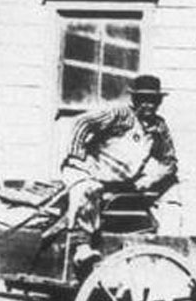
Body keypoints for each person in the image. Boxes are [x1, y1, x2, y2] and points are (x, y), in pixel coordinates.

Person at [60, 74, 178, 263]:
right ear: (135, 99)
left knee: (172, 190)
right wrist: (76, 157)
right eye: (144, 100)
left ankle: (165, 243)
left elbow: (169, 161)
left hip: (120, 182)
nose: (149, 105)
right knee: (88, 190)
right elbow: (82, 123)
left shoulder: (158, 126)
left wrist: (150, 179)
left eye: (153, 100)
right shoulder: (120, 115)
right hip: (88, 170)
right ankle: (81, 247)